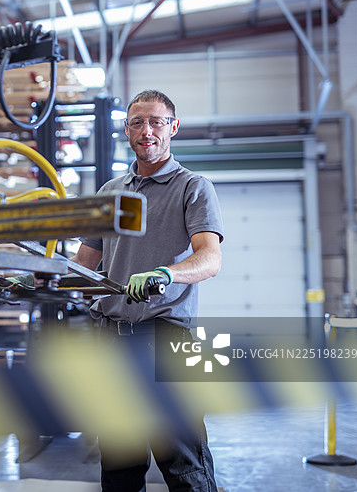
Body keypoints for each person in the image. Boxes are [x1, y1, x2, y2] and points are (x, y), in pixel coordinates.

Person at [71, 89, 224, 492]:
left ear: (173, 127)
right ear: (126, 129)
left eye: (156, 121)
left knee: (183, 462)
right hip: (110, 340)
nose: (147, 130)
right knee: (120, 466)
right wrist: (29, 279)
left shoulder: (193, 186)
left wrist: (166, 274)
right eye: (137, 122)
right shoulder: (110, 191)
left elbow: (210, 259)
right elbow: (82, 265)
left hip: (166, 338)